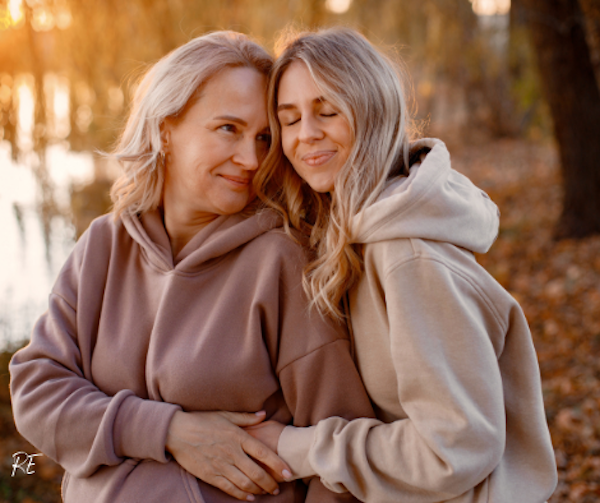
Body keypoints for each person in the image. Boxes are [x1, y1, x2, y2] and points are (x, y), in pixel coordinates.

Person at [9, 31, 374, 503]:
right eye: (228, 129)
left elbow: (340, 458)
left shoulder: (280, 263)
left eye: (264, 137)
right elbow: (38, 391)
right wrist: (170, 431)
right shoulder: (104, 244)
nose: (251, 159)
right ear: (165, 128)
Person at [249, 28, 558, 502]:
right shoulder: (351, 233)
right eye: (289, 120)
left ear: (372, 112)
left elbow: (452, 448)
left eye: (327, 111)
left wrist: (300, 448)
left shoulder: (407, 255)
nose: (306, 134)